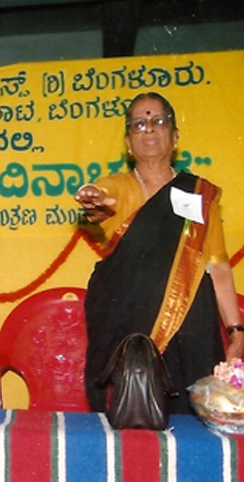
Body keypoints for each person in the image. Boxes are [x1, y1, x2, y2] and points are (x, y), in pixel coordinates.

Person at [75, 91, 244, 413]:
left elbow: (218, 266)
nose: (149, 128)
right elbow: (100, 197)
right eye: (139, 124)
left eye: (159, 121)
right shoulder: (119, 187)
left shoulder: (200, 194)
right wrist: (92, 197)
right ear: (128, 143)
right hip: (128, 334)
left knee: (191, 423)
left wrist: (236, 331)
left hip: (191, 330)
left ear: (175, 136)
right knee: (131, 420)